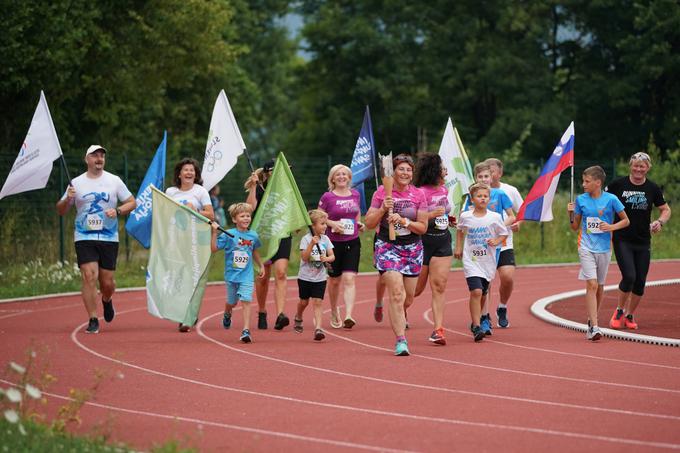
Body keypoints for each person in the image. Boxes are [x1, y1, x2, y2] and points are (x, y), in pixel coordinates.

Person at [56, 145, 136, 334]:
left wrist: (117, 211)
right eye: (95, 156)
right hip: (84, 235)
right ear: (87, 159)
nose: (99, 159)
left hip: (109, 237)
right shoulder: (75, 182)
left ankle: (107, 300)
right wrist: (67, 199)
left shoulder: (114, 181)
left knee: (107, 283)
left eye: (102, 156)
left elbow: (132, 202)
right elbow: (61, 210)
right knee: (88, 276)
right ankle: (93, 318)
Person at [365, 154, 428, 356]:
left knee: (408, 297)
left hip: (412, 249)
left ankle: (398, 311)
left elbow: (423, 227)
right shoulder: (382, 192)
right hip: (387, 246)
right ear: (393, 172)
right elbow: (369, 223)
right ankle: (401, 340)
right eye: (401, 169)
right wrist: (383, 208)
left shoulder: (419, 195)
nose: (405, 173)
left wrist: (404, 222)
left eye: (408, 170)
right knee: (397, 292)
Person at [605, 152, 671, 329]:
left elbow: (665, 209)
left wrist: (660, 222)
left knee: (640, 281)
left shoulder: (653, 188)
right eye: (635, 165)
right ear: (630, 166)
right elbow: (602, 202)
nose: (638, 169)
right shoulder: (617, 184)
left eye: (642, 166)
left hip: (643, 240)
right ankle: (619, 310)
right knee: (629, 276)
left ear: (648, 168)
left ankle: (630, 315)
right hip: (622, 238)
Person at [567, 166, 629, 341]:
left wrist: (611, 227)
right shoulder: (581, 199)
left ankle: (590, 320)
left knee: (600, 286)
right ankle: (594, 326)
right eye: (583, 181)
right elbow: (574, 227)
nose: (583, 184)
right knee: (592, 284)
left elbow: (626, 221)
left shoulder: (611, 199)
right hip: (585, 246)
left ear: (598, 182)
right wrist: (570, 213)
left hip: (604, 248)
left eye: (587, 181)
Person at [463, 162, 515, 336]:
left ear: (492, 177)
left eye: (487, 176)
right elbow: (465, 221)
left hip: (499, 243)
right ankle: (483, 318)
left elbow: (511, 216)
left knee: (500, 278)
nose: (484, 179)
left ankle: (499, 308)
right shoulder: (471, 197)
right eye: (480, 177)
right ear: (475, 178)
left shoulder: (500, 194)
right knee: (484, 285)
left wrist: (497, 226)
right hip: (479, 246)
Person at [455, 183, 508, 342]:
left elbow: (503, 234)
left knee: (483, 292)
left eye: (485, 196)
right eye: (479, 196)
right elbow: (459, 230)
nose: (483, 199)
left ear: (489, 199)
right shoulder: (466, 216)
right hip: (471, 260)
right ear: (472, 199)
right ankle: (477, 326)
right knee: (476, 291)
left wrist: (496, 240)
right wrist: (458, 247)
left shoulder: (495, 217)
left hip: (488, 261)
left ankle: (477, 319)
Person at [166, 157, 215, 332]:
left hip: (197, 242)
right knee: (180, 278)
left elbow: (211, 215)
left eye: (192, 170)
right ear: (179, 174)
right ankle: (183, 312)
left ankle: (188, 316)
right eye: (185, 170)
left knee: (194, 278)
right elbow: (165, 213)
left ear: (196, 175)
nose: (189, 173)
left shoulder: (200, 192)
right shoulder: (171, 192)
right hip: (177, 240)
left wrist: (196, 211)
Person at [245, 159, 292, 330]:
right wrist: (252, 187)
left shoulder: (289, 190)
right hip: (263, 237)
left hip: (282, 235)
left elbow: (295, 210)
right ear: (267, 173)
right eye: (277, 170)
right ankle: (262, 311)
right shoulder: (259, 188)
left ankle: (280, 314)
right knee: (263, 276)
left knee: (281, 273)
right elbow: (249, 208)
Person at [413, 153, 454, 345]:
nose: (445, 170)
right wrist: (431, 215)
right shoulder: (420, 192)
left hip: (443, 241)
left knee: (439, 286)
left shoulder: (444, 190)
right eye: (442, 167)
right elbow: (414, 219)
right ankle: (401, 306)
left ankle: (438, 330)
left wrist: (448, 219)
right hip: (422, 242)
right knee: (417, 290)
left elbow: (444, 212)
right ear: (433, 170)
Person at [211, 202, 264, 343]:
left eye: (248, 216)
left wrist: (261, 265)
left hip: (246, 275)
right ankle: (227, 313)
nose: (246, 218)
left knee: (246, 300)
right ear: (235, 219)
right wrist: (214, 233)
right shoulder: (229, 234)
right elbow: (214, 248)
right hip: (231, 275)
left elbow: (254, 250)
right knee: (232, 302)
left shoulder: (253, 235)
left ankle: (246, 330)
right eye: (242, 216)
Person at [318, 164, 363, 329]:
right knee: (335, 281)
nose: (342, 177)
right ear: (333, 178)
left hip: (352, 241)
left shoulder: (356, 195)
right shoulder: (327, 197)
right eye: (338, 174)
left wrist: (359, 223)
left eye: (345, 174)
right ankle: (334, 310)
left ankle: (349, 315)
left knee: (350, 279)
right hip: (332, 243)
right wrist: (332, 224)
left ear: (349, 178)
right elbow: (317, 218)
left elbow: (356, 213)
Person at [485, 158, 523, 328]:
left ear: (499, 173)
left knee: (507, 277)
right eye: (486, 172)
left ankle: (502, 306)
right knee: (484, 282)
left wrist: (518, 223)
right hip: (483, 244)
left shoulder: (509, 191)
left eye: (492, 171)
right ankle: (483, 315)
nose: (489, 175)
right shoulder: (477, 191)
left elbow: (521, 211)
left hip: (504, 243)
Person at [293, 210, 335, 341]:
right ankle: (298, 315)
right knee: (304, 301)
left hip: (320, 278)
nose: (325, 226)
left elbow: (332, 256)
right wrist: (312, 244)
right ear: (313, 226)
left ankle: (318, 328)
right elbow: (304, 258)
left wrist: (326, 259)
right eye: (322, 224)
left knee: (318, 302)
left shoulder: (326, 239)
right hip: (305, 277)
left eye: (325, 223)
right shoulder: (305, 239)